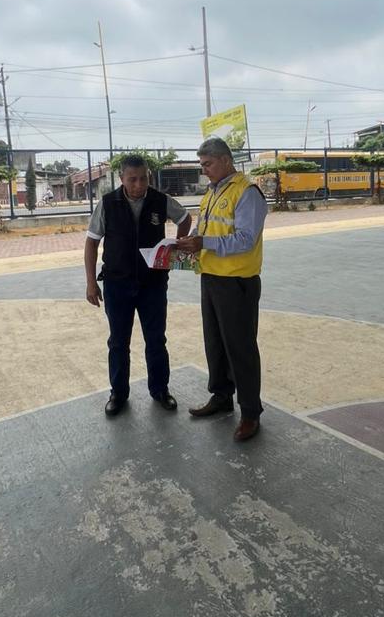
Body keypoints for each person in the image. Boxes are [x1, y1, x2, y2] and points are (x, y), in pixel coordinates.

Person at [174, 137, 267, 442]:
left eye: (208, 164)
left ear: (226, 160)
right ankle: (221, 396)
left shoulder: (247, 192)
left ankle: (250, 412)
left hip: (237, 282)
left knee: (240, 347)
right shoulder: (212, 192)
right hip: (211, 277)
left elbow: (246, 239)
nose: (204, 171)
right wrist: (189, 242)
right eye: (202, 165)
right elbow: (204, 228)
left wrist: (204, 242)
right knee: (215, 342)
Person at [84, 156, 192, 417]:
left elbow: (185, 219)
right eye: (132, 179)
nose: (139, 184)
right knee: (118, 342)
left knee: (156, 339)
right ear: (121, 178)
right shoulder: (108, 204)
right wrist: (90, 283)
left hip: (153, 284)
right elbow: (92, 243)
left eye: (144, 178)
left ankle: (160, 390)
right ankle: (118, 394)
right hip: (117, 285)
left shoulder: (160, 200)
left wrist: (174, 249)